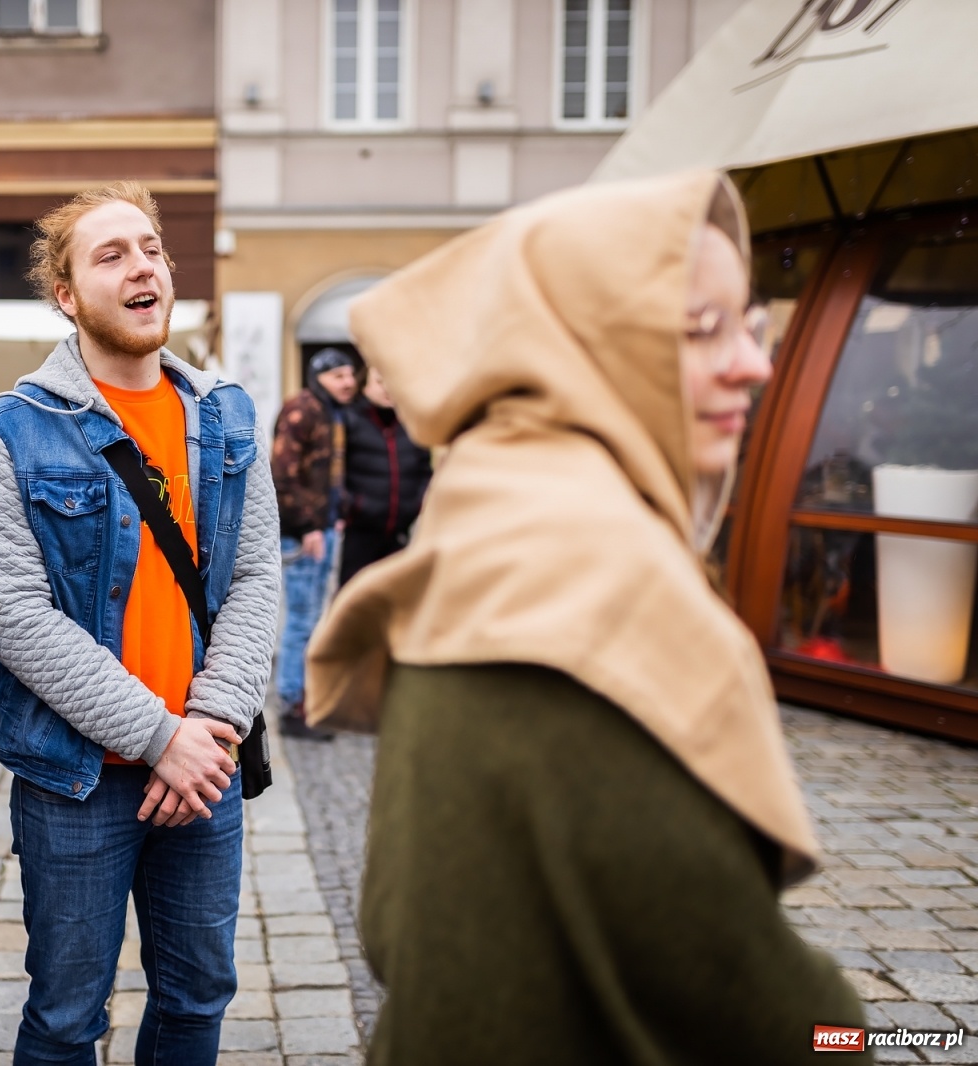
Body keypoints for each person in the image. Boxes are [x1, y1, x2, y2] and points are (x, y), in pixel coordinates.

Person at [306, 172, 865, 1063]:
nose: (754, 365)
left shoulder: (490, 517)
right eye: (697, 330)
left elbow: (392, 928)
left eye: (749, 327)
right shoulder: (597, 577)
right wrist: (891, 1034)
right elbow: (752, 1007)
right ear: (584, 348)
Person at [0, 181, 278, 1065]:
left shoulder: (227, 419)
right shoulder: (12, 432)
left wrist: (209, 727)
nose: (142, 265)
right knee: (68, 1015)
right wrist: (155, 735)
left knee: (198, 996)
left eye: (150, 249)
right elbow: (16, 618)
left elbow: (253, 579)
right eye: (111, 255)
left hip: (203, 769)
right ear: (66, 295)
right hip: (79, 782)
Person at [271, 346, 358, 739]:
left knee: (310, 620)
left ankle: (304, 697)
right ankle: (292, 705)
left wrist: (333, 517)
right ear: (320, 376)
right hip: (303, 536)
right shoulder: (303, 409)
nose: (349, 382)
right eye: (340, 375)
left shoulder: (330, 411)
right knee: (302, 622)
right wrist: (308, 527)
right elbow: (282, 475)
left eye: (351, 375)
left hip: (321, 530)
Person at [338, 366, 432, 586]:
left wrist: (415, 505)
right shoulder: (349, 420)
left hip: (400, 531)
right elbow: (334, 473)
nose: (388, 389)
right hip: (360, 532)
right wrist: (355, 506)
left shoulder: (411, 422)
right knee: (355, 602)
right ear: (366, 385)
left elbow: (425, 470)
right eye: (380, 382)